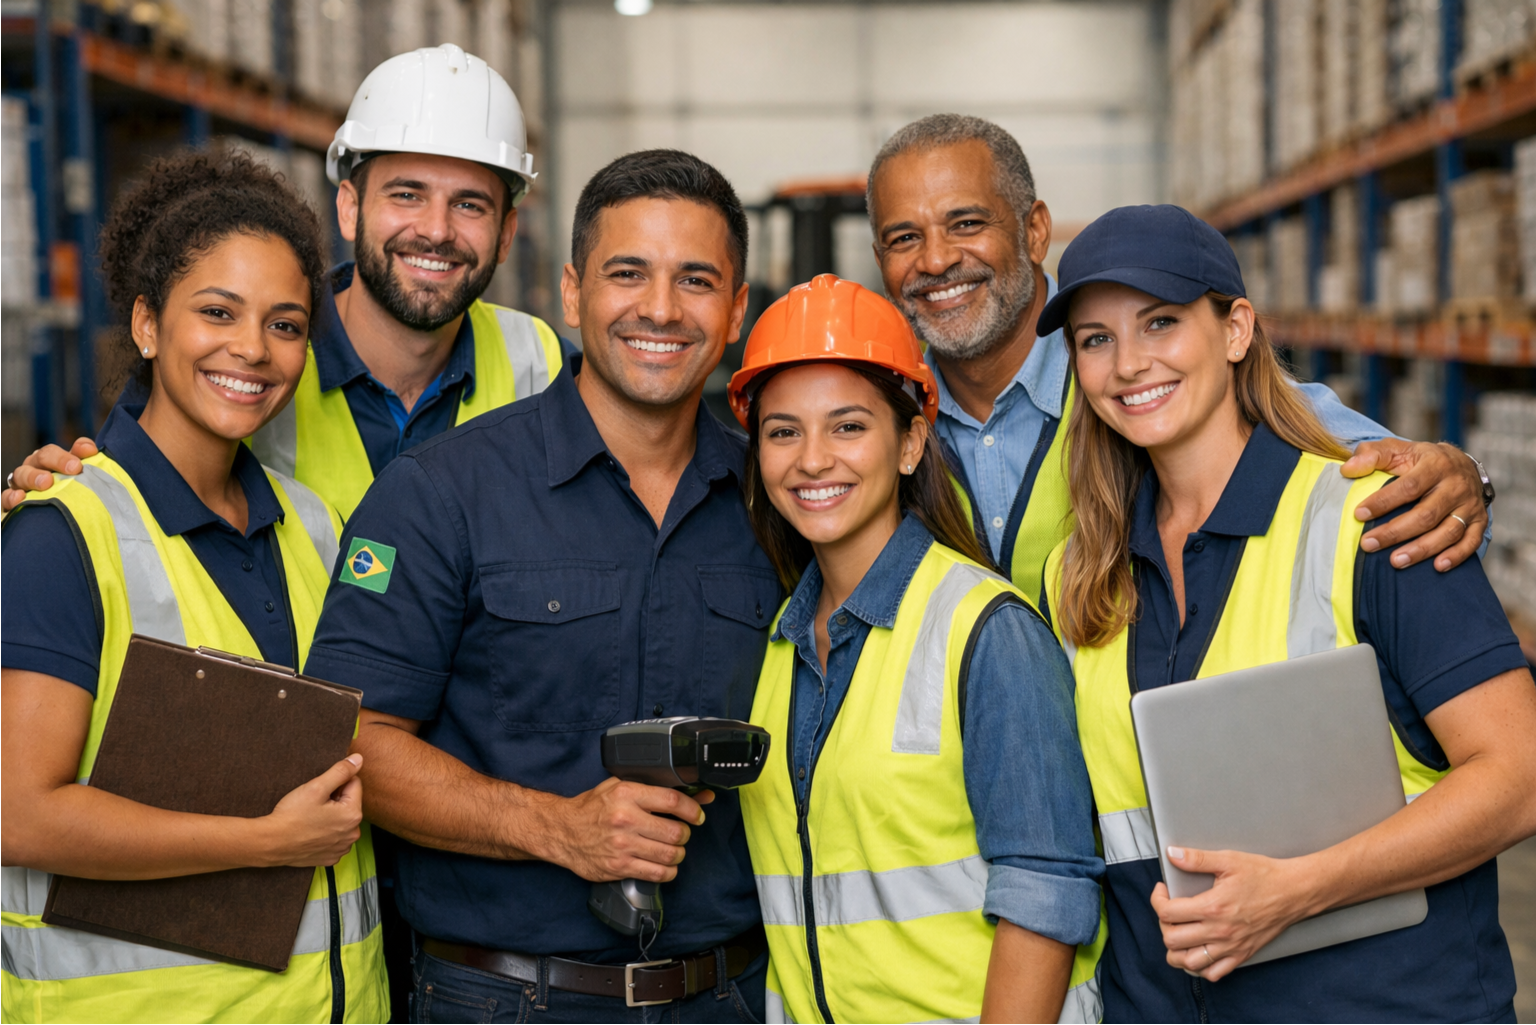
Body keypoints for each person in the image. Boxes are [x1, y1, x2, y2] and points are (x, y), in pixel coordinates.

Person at [301, 150, 782, 1023]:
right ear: (571, 293)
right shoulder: (442, 492)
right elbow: (354, 740)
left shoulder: (776, 506)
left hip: (732, 995)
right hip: (505, 998)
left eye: (697, 279)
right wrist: (557, 827)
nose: (662, 309)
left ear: (738, 308)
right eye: (627, 272)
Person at [1038, 204, 1536, 1023]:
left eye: (1159, 322)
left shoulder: (1369, 520)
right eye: (1095, 339)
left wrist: (1299, 888)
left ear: (1236, 329)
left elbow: (1515, 777)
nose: (1128, 363)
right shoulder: (1080, 577)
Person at [0, 152, 388, 1022]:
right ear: (147, 323)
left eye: (286, 325)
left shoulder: (313, 526)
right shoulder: (62, 531)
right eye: (218, 312)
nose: (252, 350)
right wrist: (266, 844)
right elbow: (18, 812)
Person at [865, 114, 1496, 602]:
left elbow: (1381, 469)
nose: (936, 260)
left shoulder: (1138, 384)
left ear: (1034, 232)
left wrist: (1460, 476)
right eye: (904, 238)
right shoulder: (879, 420)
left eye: (966, 223)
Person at [728, 275, 1105, 1024]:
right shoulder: (782, 647)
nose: (811, 459)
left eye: (847, 426)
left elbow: (1047, 892)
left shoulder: (986, 632)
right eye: (782, 431)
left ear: (909, 443)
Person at [3, 43, 573, 521]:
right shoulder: (245, 363)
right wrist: (63, 493)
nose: (435, 230)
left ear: (505, 233)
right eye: (407, 194)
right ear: (349, 209)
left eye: (470, 205)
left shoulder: (542, 364)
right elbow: (124, 505)